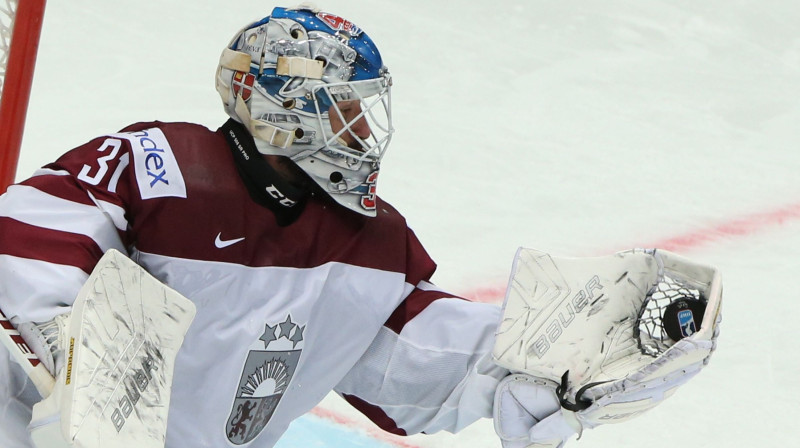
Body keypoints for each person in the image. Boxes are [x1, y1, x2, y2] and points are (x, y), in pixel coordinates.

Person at [0, 5, 717, 448]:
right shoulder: (163, 166)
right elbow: (27, 241)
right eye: (343, 109)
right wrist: (69, 365)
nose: (359, 130)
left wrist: (565, 352)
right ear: (285, 109)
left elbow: (425, 366)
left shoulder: (365, 249)